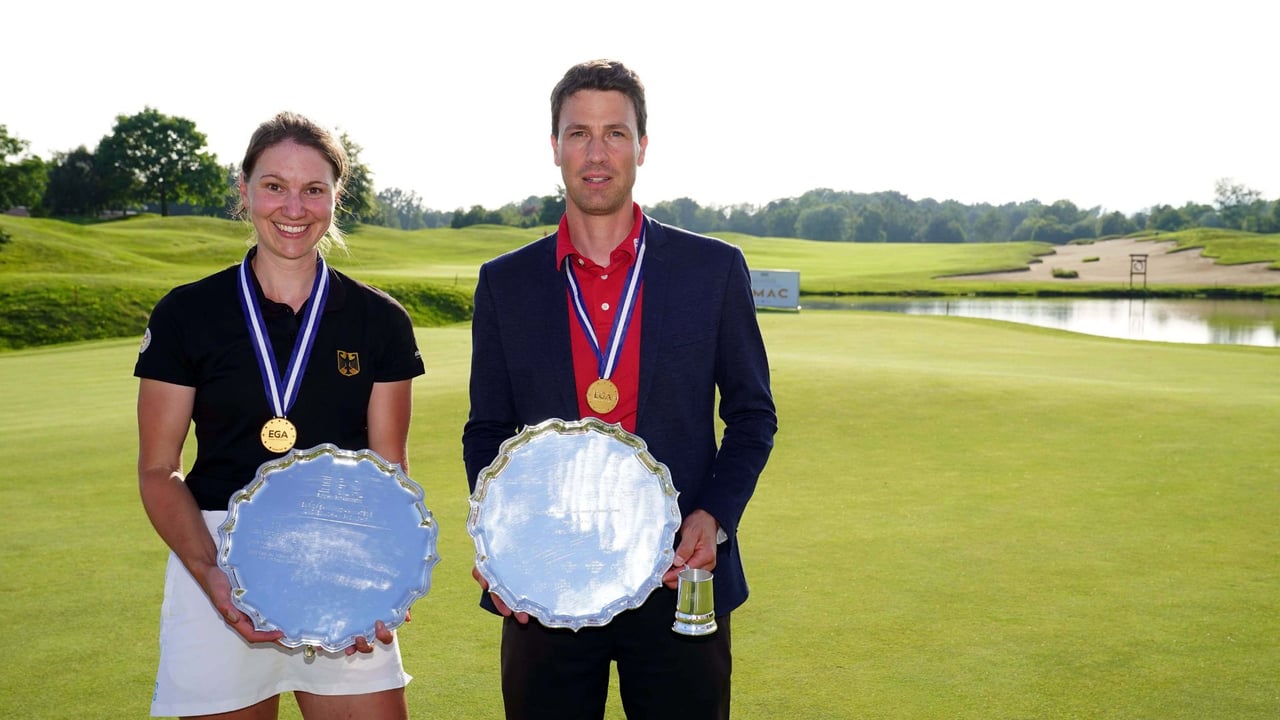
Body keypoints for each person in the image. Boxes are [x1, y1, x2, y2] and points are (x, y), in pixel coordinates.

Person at [462, 59, 777, 719]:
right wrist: (505, 534)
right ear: (554, 148)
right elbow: (487, 430)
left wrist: (712, 518)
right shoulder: (505, 283)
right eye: (579, 133)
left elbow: (751, 417)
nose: (596, 152)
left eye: (615, 133)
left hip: (676, 575)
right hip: (547, 581)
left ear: (642, 145)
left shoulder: (712, 269)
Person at [135, 111, 425, 719]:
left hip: (343, 558)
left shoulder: (381, 321)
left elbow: (388, 470)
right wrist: (211, 573)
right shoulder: (187, 313)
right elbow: (159, 469)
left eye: (313, 189)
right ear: (244, 192)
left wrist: (384, 575)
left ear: (334, 198)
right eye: (274, 186)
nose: (294, 206)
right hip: (218, 559)